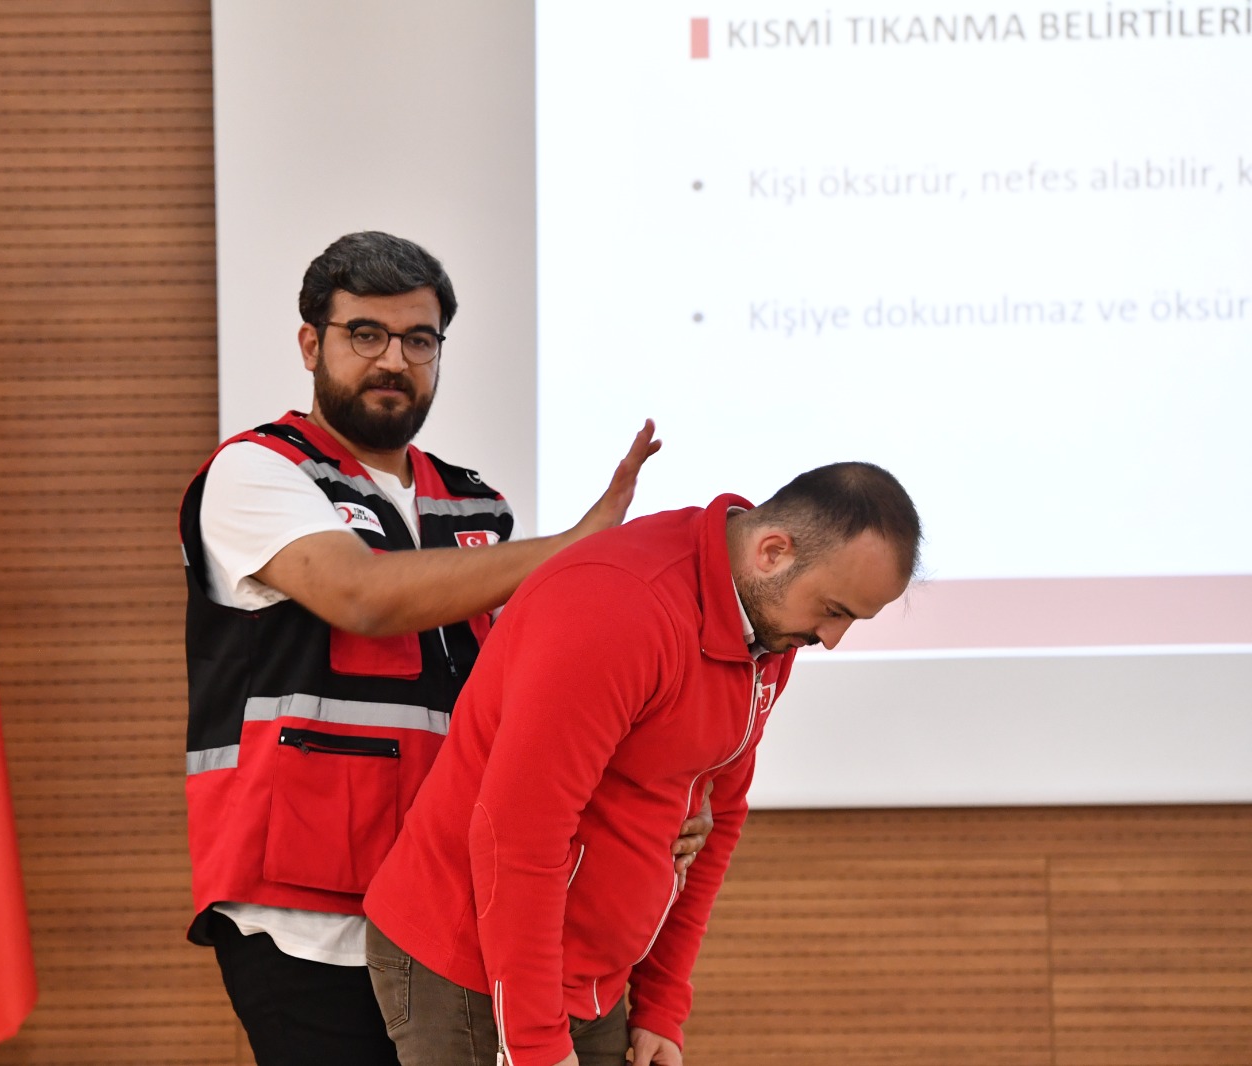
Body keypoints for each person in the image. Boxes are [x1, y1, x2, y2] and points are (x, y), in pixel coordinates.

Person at [177, 231, 711, 1065]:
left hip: (446, 905)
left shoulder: (475, 505)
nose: (394, 360)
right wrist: (574, 549)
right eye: (366, 334)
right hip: (304, 912)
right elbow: (362, 596)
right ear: (311, 344)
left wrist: (656, 802)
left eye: (419, 340)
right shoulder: (257, 471)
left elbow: (534, 702)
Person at [362, 462, 923, 1066]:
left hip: (587, 978)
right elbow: (518, 837)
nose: (832, 640)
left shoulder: (768, 627)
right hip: (469, 966)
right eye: (834, 611)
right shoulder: (617, 608)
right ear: (772, 552)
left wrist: (661, 1004)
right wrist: (535, 1043)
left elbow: (712, 819)